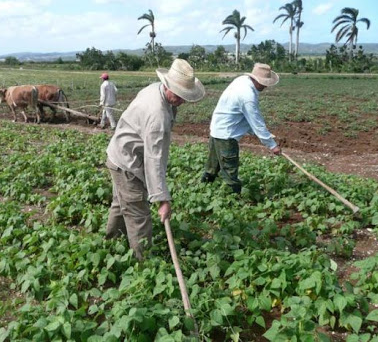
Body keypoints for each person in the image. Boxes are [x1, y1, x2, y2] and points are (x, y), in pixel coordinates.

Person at [105, 59, 205, 260]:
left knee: (122, 202)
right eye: (179, 95)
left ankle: (110, 243)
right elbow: (154, 159)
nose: (182, 100)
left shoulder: (154, 88)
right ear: (167, 85)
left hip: (119, 153)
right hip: (127, 161)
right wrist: (162, 199)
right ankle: (144, 265)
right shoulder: (157, 115)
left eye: (185, 96)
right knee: (139, 214)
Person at [201, 63, 282, 194]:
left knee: (212, 168)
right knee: (230, 173)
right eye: (265, 83)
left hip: (217, 130)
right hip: (227, 136)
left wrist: (261, 134)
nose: (266, 86)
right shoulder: (247, 96)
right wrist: (272, 145)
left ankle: (202, 191)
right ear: (257, 80)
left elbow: (242, 116)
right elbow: (256, 122)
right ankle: (234, 202)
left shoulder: (241, 80)